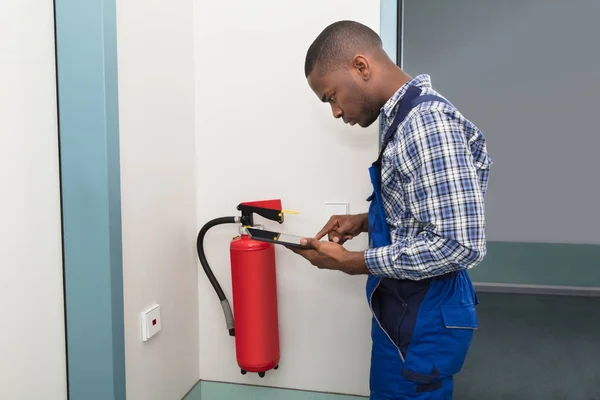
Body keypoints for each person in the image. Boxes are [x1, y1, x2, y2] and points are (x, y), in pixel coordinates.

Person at [287, 20, 492, 399]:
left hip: (424, 317)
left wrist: (352, 262)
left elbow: (458, 244)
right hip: (403, 310)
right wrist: (365, 221)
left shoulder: (426, 125)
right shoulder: (401, 119)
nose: (334, 111)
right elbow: (423, 209)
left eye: (331, 96)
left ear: (361, 66)